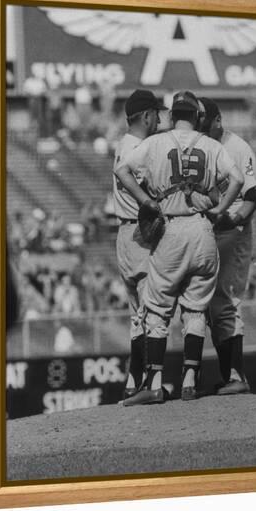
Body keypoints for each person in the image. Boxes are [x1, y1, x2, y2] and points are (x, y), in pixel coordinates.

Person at [116, 91, 243, 405]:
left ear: (172, 115)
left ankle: (155, 382)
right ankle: (190, 378)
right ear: (198, 116)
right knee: (196, 307)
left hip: (172, 226)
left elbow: (122, 171)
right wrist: (220, 209)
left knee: (158, 307)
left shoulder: (157, 142)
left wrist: (146, 201)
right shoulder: (212, 145)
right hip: (203, 229)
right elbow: (237, 178)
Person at [199, 97, 256, 395]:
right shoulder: (204, 146)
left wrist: (232, 219)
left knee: (227, 300)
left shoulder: (237, 147)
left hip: (234, 230)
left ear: (217, 120)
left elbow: (253, 197)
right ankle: (230, 376)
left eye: (204, 123)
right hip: (215, 229)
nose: (200, 128)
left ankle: (237, 376)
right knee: (213, 306)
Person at [113, 89, 167, 399]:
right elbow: (152, 188)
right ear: (146, 116)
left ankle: (134, 382)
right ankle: (150, 384)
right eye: (156, 113)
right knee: (152, 308)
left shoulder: (123, 144)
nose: (159, 118)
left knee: (138, 312)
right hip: (141, 233)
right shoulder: (141, 148)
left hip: (124, 232)